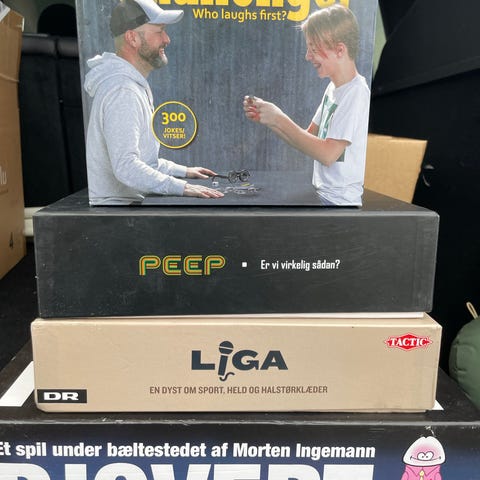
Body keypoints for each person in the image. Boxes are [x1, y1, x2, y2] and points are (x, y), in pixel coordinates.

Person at [85, 0, 223, 205]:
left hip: (125, 207)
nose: (167, 39)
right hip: (117, 212)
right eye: (159, 31)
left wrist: (183, 171)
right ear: (132, 38)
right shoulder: (122, 90)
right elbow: (126, 166)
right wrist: (182, 187)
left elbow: (144, 161)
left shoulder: (129, 85)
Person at [244, 5, 370, 206]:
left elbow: (327, 154)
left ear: (340, 50)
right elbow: (307, 138)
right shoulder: (333, 88)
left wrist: (279, 119)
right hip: (324, 196)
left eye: (313, 48)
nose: (307, 56)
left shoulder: (356, 93)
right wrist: (270, 120)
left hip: (338, 204)